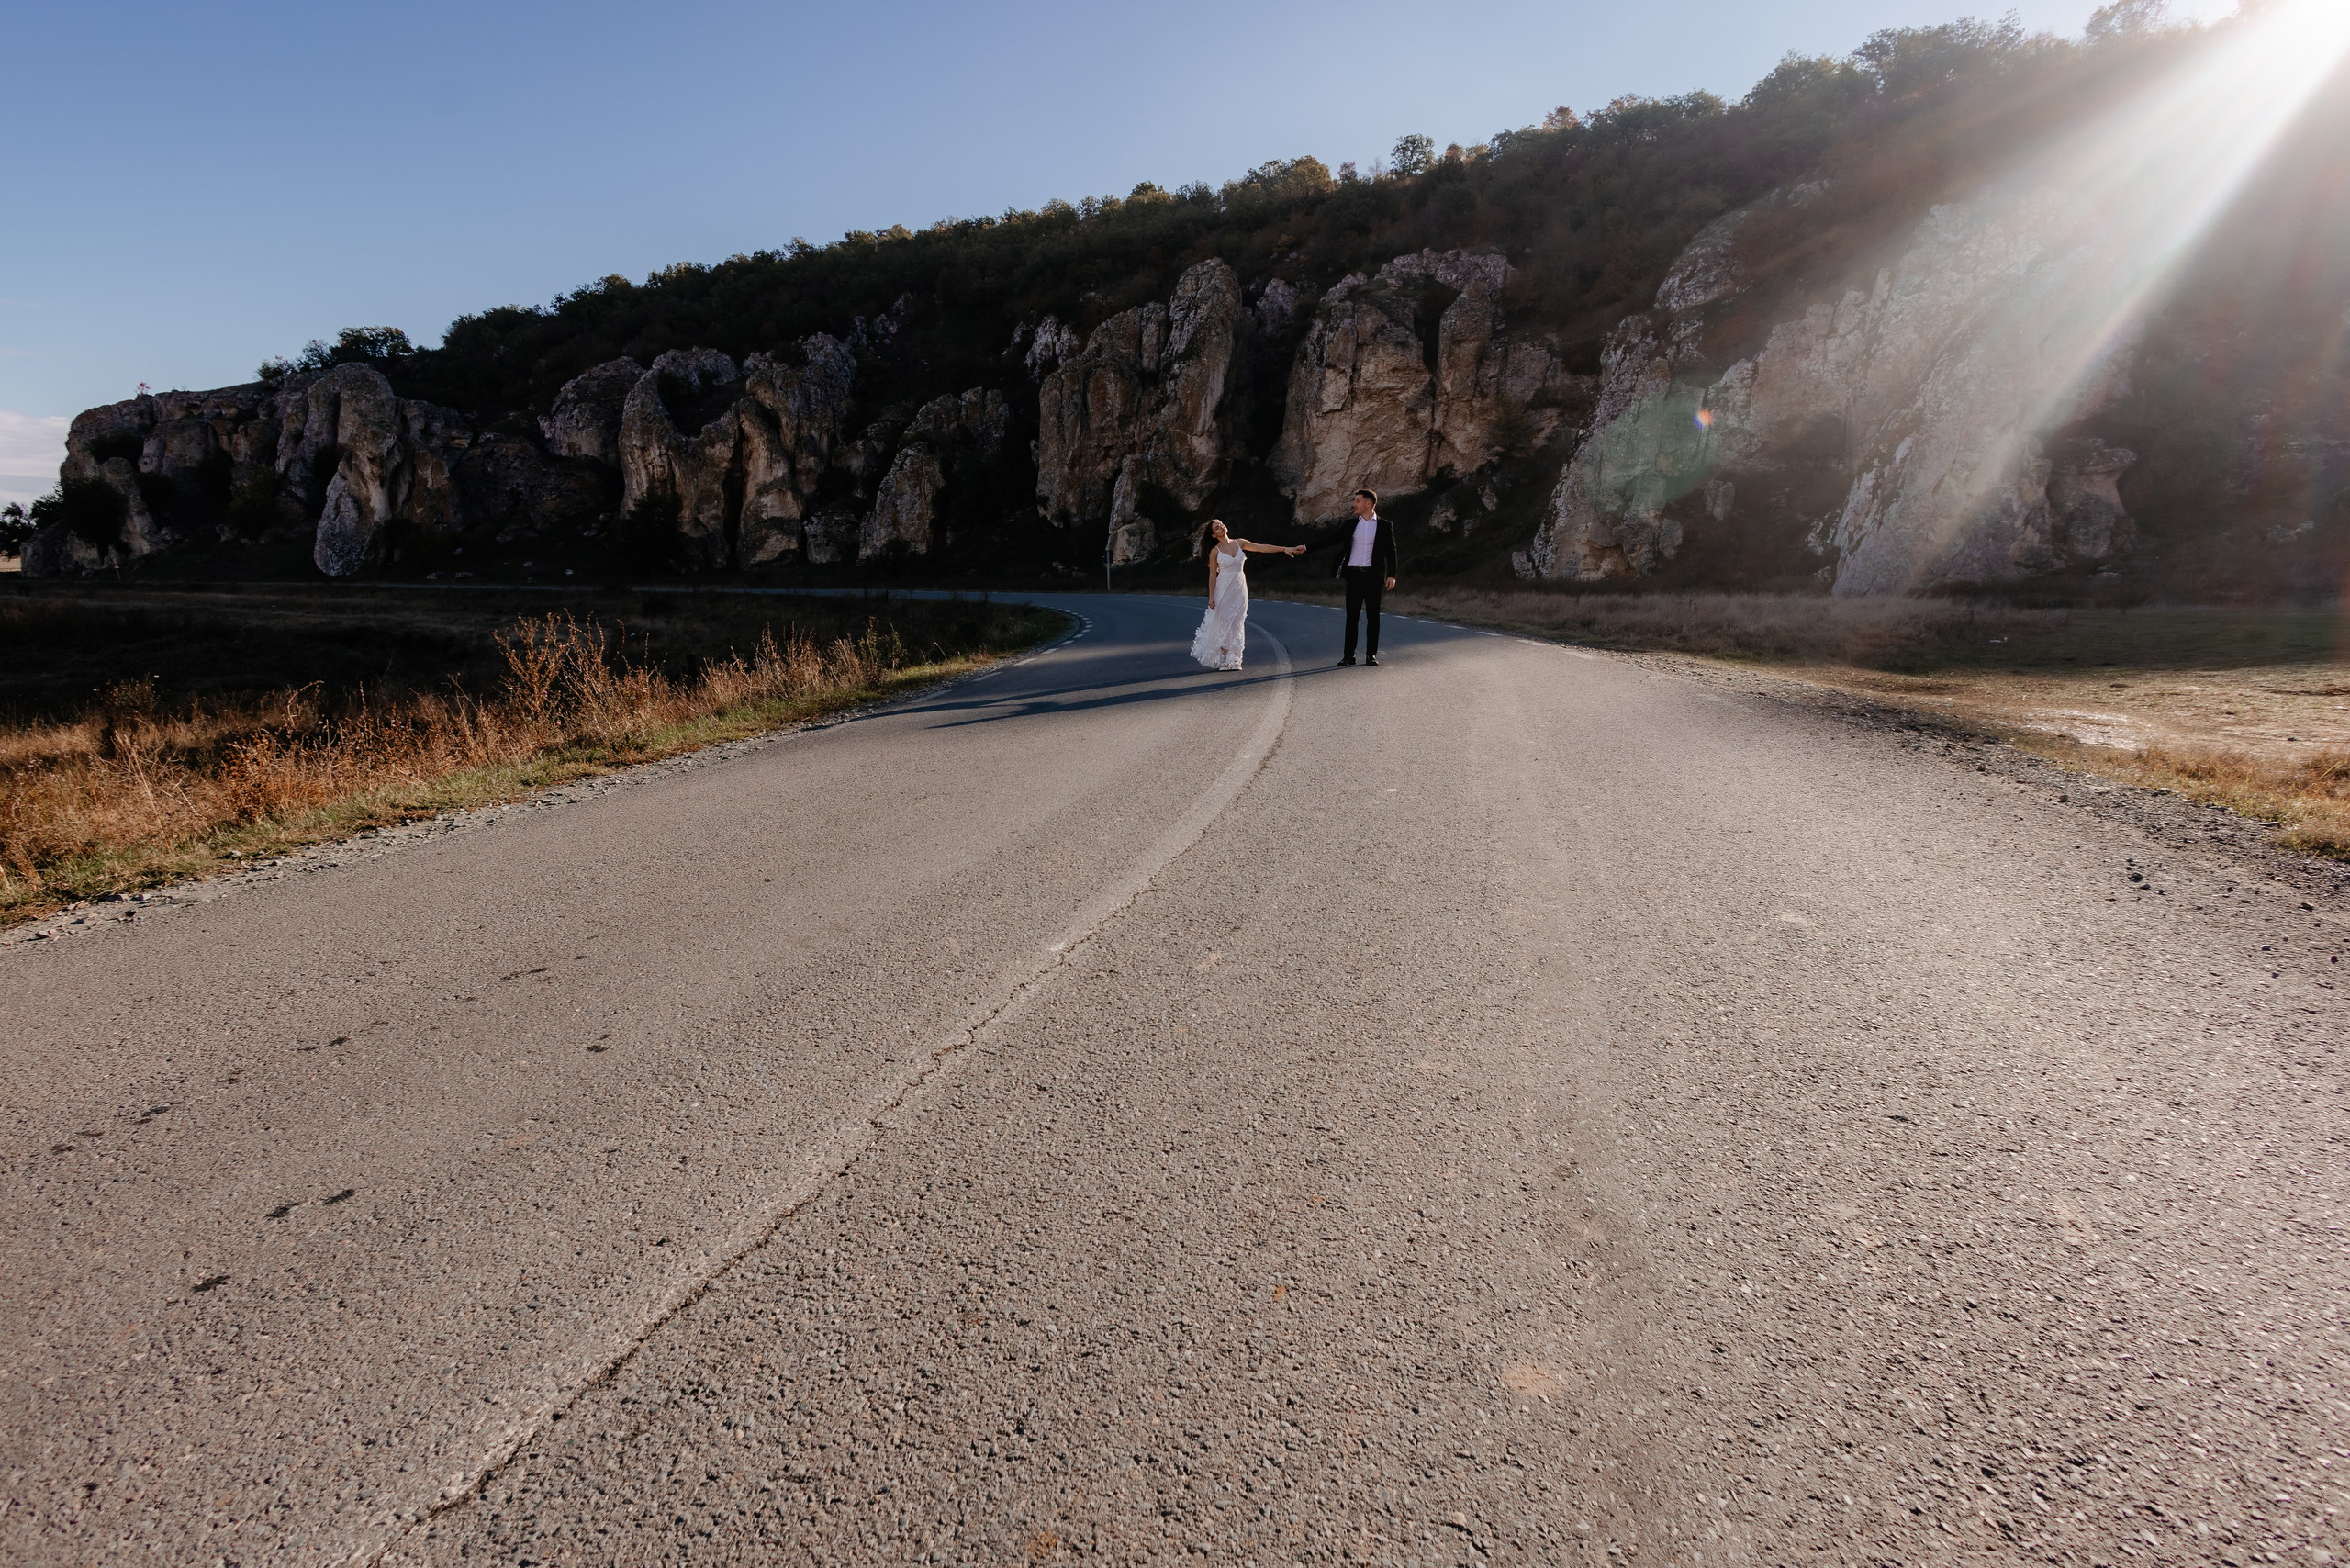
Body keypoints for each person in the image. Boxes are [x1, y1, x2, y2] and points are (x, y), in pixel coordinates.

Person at [1190, 519, 1304, 671]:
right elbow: (1212, 576)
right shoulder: (1215, 551)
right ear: (1213, 534)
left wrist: (1284, 549)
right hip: (1223, 590)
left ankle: (1236, 657)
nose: (1221, 527)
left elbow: (1261, 548)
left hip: (1240, 588)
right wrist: (1211, 597)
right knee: (1224, 622)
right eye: (1217, 527)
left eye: (1222, 524)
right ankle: (1225, 659)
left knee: (1237, 621)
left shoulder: (1239, 543)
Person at [1335, 487, 1397, 666]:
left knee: (1373, 617)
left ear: (1368, 503)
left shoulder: (1385, 525)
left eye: (1357, 501)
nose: (1354, 504)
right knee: (1351, 618)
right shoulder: (1350, 525)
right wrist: (1306, 547)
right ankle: (1349, 656)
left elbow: (1391, 551)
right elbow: (1330, 539)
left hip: (1373, 577)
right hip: (1353, 576)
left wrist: (1392, 574)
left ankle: (1371, 655)